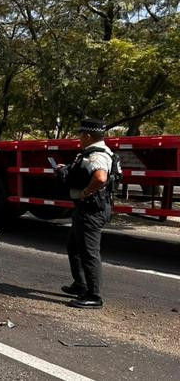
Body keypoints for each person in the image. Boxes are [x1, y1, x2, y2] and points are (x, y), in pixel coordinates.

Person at [57, 118, 118, 309]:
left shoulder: (97, 155)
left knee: (89, 253)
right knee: (74, 247)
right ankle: (81, 285)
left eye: (81, 135)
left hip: (92, 210)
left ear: (88, 135)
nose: (79, 138)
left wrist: (85, 193)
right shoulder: (98, 152)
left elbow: (100, 177)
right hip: (88, 208)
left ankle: (94, 296)